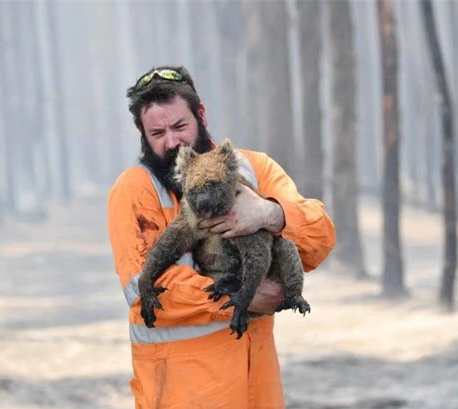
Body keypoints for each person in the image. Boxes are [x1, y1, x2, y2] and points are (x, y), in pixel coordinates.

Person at [107, 65, 336, 409]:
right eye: (157, 133)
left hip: (258, 391)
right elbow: (144, 288)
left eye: (180, 126)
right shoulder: (135, 191)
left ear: (201, 115)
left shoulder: (252, 169)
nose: (171, 142)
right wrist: (239, 298)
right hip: (180, 396)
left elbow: (319, 238)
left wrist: (270, 214)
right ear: (142, 133)